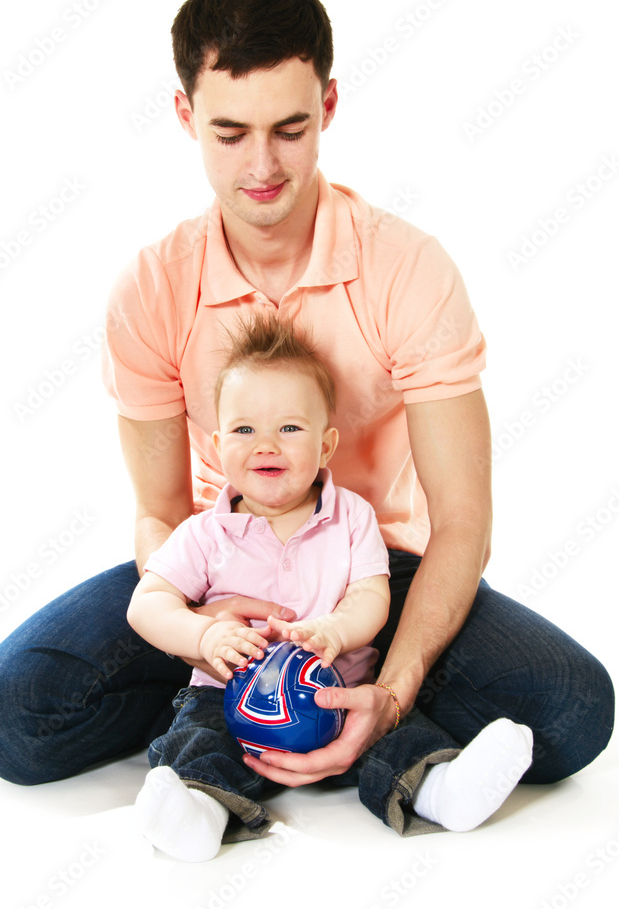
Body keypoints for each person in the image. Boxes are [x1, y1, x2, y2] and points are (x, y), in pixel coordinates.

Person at [0, 0, 613, 805]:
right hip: (223, 564)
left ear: (328, 105)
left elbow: (462, 522)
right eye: (230, 132)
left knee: (572, 710)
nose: (262, 165)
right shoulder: (152, 286)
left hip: (371, 573)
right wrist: (201, 627)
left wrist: (392, 687)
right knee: (4, 716)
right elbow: (160, 514)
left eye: (290, 129)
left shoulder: (407, 268)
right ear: (184, 115)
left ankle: (332, 710)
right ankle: (229, 708)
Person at [128, 313, 534, 859]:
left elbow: (371, 595)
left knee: (398, 731)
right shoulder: (204, 533)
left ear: (325, 446)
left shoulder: (352, 517)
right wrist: (204, 638)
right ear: (219, 444)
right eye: (245, 431)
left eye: (289, 429)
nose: (266, 445)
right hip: (230, 696)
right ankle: (200, 810)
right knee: (199, 736)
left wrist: (335, 632)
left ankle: (440, 790)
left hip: (337, 689)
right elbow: (148, 604)